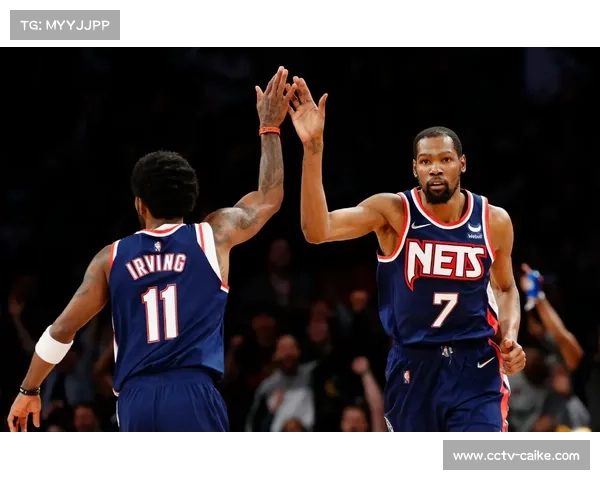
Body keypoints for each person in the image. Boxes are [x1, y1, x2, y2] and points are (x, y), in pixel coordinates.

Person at [7, 66, 297, 432]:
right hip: (194, 391)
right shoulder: (214, 235)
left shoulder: (110, 258)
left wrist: (29, 388)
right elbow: (269, 197)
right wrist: (269, 127)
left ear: (139, 204)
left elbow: (62, 330)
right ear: (191, 201)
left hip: (136, 398)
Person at [287, 76, 526, 432]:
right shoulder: (394, 213)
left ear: (462, 164)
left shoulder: (493, 220)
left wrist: (510, 336)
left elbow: (505, 288)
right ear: (415, 168)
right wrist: (313, 148)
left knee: (475, 458)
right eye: (426, 161)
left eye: (445, 159)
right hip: (413, 364)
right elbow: (316, 231)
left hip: (475, 366)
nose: (435, 167)